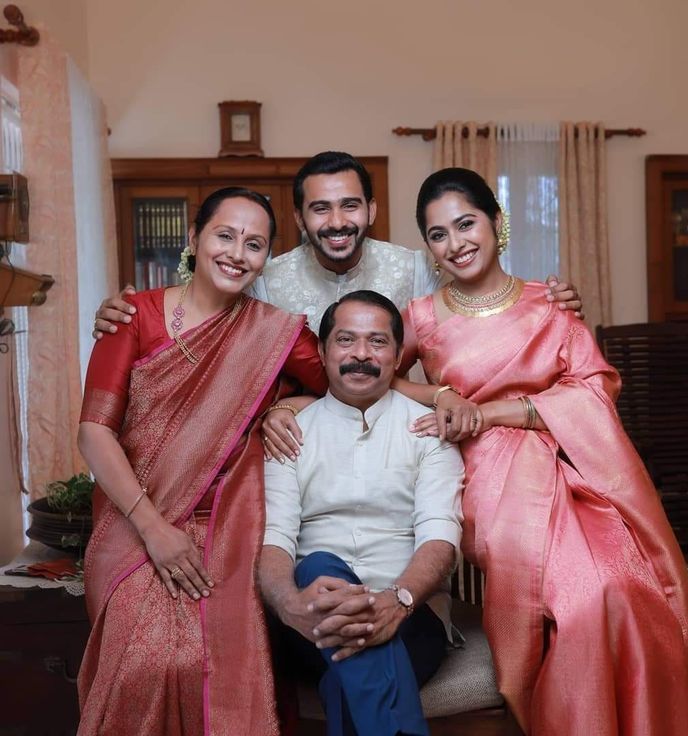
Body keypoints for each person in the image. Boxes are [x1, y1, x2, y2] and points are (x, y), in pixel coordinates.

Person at [391, 167, 688, 735]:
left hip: (568, 462)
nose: (456, 243)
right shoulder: (420, 317)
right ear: (429, 248)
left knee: (630, 586)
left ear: (497, 222)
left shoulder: (552, 304)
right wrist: (441, 394)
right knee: (585, 595)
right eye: (438, 234)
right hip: (485, 483)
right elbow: (374, 380)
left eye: (466, 224)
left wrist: (491, 411)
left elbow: (596, 389)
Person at [76, 187, 327, 735]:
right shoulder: (133, 317)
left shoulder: (275, 334)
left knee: (209, 662)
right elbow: (94, 432)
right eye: (226, 235)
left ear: (266, 258)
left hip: (231, 527)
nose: (238, 253)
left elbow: (350, 385)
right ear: (194, 238)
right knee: (146, 662)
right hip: (134, 520)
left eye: (255, 244)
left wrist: (286, 404)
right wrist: (154, 528)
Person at [91, 151, 583, 338]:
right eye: (320, 209)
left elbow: (481, 296)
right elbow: (207, 310)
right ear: (301, 220)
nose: (337, 222)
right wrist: (135, 315)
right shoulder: (266, 278)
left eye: (350, 206)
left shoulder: (415, 268)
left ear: (372, 210)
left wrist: (547, 301)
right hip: (295, 450)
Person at [258, 290, 464, 736]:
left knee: (346, 678)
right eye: (346, 340)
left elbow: (440, 538)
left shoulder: (428, 431)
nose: (361, 355)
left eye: (377, 342)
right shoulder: (289, 433)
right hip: (310, 618)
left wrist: (400, 599)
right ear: (323, 351)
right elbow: (273, 539)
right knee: (317, 566)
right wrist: (289, 603)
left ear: (396, 356)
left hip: (411, 613)